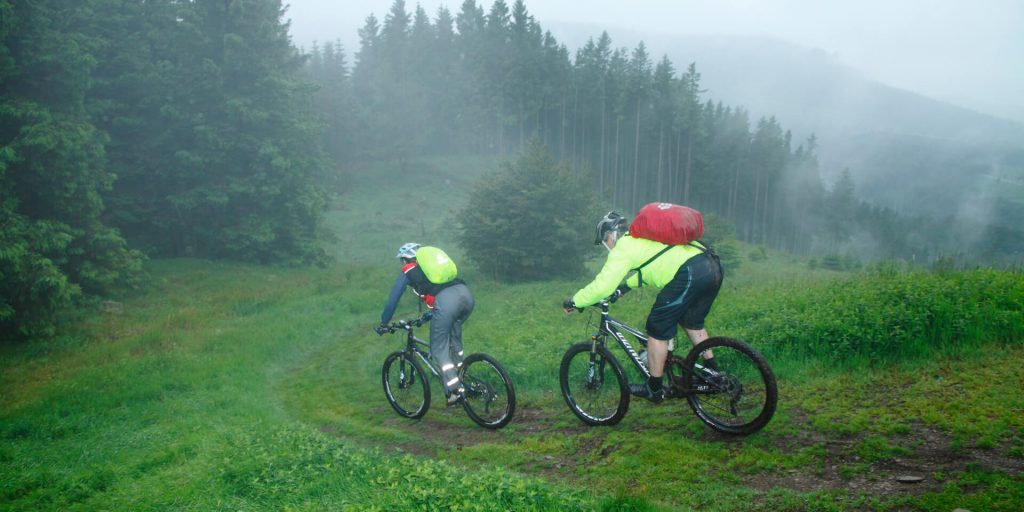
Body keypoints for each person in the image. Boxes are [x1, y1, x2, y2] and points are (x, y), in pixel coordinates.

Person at [562, 211, 723, 403]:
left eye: (605, 239)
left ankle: (654, 388)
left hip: (689, 273)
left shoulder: (624, 247)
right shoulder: (642, 239)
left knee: (656, 328)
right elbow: (650, 269)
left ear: (613, 234)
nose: (607, 244)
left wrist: (575, 301)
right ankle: (713, 372)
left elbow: (602, 286)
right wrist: (624, 288)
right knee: (692, 322)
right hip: (710, 265)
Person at [376, 242, 475, 405]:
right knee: (454, 342)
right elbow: (440, 291)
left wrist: (383, 323)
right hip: (465, 295)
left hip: (446, 303)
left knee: (438, 351)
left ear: (405, 260)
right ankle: (462, 375)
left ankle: (456, 391)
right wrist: (431, 313)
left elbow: (392, 300)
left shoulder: (409, 271)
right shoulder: (432, 269)